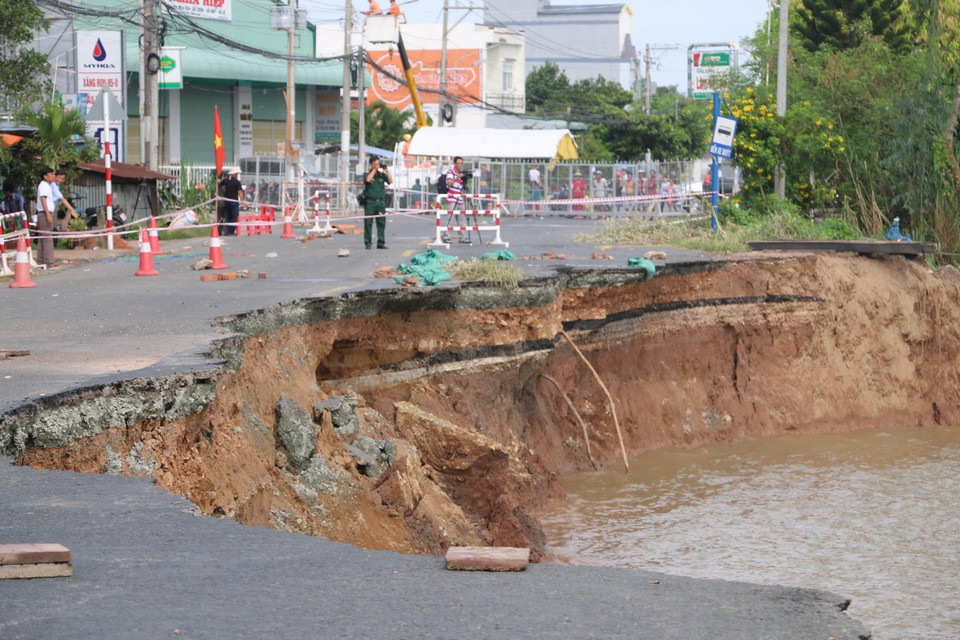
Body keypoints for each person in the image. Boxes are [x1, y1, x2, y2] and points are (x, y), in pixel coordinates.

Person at [363, 155, 391, 249]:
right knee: (368, 222)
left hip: (380, 202)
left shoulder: (382, 174)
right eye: (375, 163)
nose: (377, 165)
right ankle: (368, 242)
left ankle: (381, 242)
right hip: (370, 202)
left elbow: (390, 181)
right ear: (371, 164)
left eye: (378, 163)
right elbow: (367, 180)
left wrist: (387, 170)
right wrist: (374, 170)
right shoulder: (367, 173)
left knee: (381, 222)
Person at [35, 167, 57, 267]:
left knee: (43, 237)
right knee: (47, 237)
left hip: (45, 212)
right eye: (51, 174)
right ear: (45, 176)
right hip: (44, 213)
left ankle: (41, 259)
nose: (53, 176)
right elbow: (43, 199)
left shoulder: (47, 185)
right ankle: (48, 260)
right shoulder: (43, 185)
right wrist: (48, 214)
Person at [443, 156, 467, 242]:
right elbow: (449, 183)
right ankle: (447, 237)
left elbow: (462, 187)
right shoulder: (450, 172)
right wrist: (457, 177)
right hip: (452, 199)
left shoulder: (462, 173)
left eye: (462, 163)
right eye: (459, 163)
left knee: (462, 219)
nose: (461, 165)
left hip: (460, 199)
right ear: (454, 164)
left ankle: (463, 237)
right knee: (450, 219)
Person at [218, 167, 244, 236]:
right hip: (234, 202)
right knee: (234, 216)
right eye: (237, 173)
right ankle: (231, 231)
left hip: (227, 202)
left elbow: (219, 184)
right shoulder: (237, 182)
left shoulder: (225, 180)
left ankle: (228, 231)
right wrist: (243, 201)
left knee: (228, 216)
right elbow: (239, 191)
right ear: (235, 174)